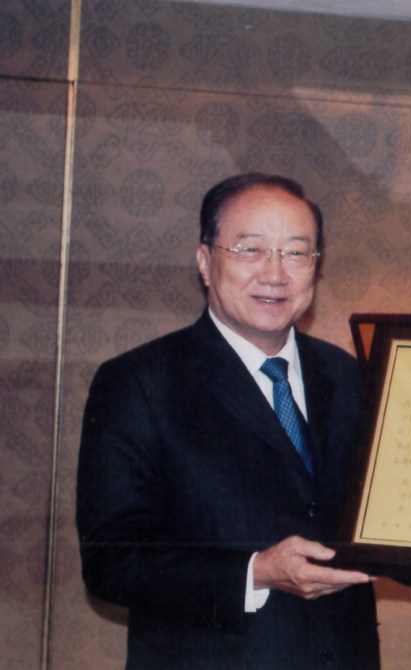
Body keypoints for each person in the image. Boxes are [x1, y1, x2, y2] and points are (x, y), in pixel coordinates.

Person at [77, 173, 380, 669]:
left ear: (316, 267)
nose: (275, 274)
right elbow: (111, 562)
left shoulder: (350, 375)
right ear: (204, 261)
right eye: (250, 250)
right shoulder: (140, 383)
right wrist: (256, 572)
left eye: (296, 252)